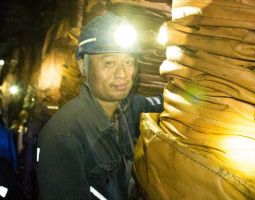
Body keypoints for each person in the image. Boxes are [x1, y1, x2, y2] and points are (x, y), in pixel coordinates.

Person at [37, 12, 163, 200]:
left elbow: (166, 103)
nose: (122, 74)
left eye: (128, 61)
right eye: (109, 62)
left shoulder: (128, 106)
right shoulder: (63, 136)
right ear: (83, 66)